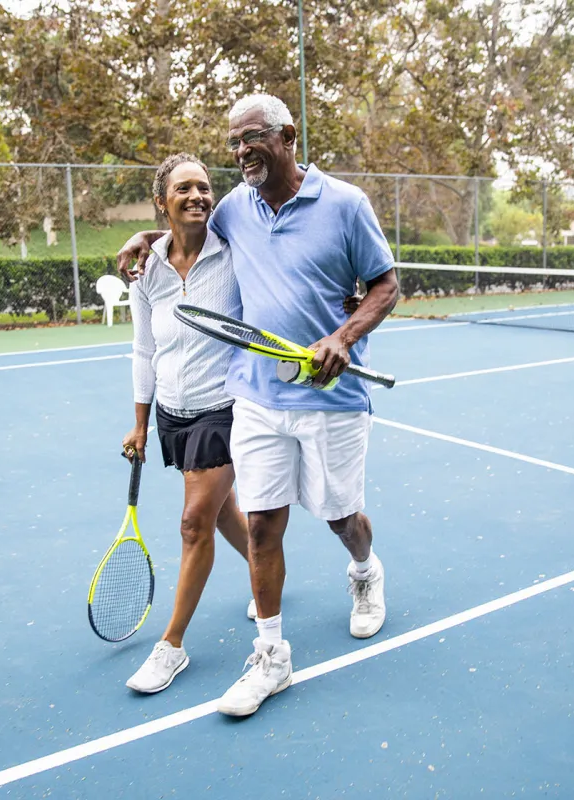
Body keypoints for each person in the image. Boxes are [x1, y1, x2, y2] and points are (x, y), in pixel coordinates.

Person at [117, 94, 399, 717]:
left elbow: (386, 284)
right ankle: (272, 655)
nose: (241, 151)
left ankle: (364, 569)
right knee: (264, 525)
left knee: (339, 517)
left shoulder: (347, 205)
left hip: (333, 399)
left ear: (288, 135)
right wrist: (147, 236)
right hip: (257, 397)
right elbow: (184, 229)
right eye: (234, 143)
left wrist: (343, 337)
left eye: (252, 138)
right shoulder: (235, 211)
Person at [121, 152, 253, 695]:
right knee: (220, 513)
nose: (197, 195)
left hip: (224, 406)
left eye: (204, 187)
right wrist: (140, 424)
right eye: (183, 189)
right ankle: (264, 565)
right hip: (173, 413)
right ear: (162, 202)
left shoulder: (235, 249)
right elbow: (143, 350)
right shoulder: (145, 268)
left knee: (193, 522)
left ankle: (170, 646)